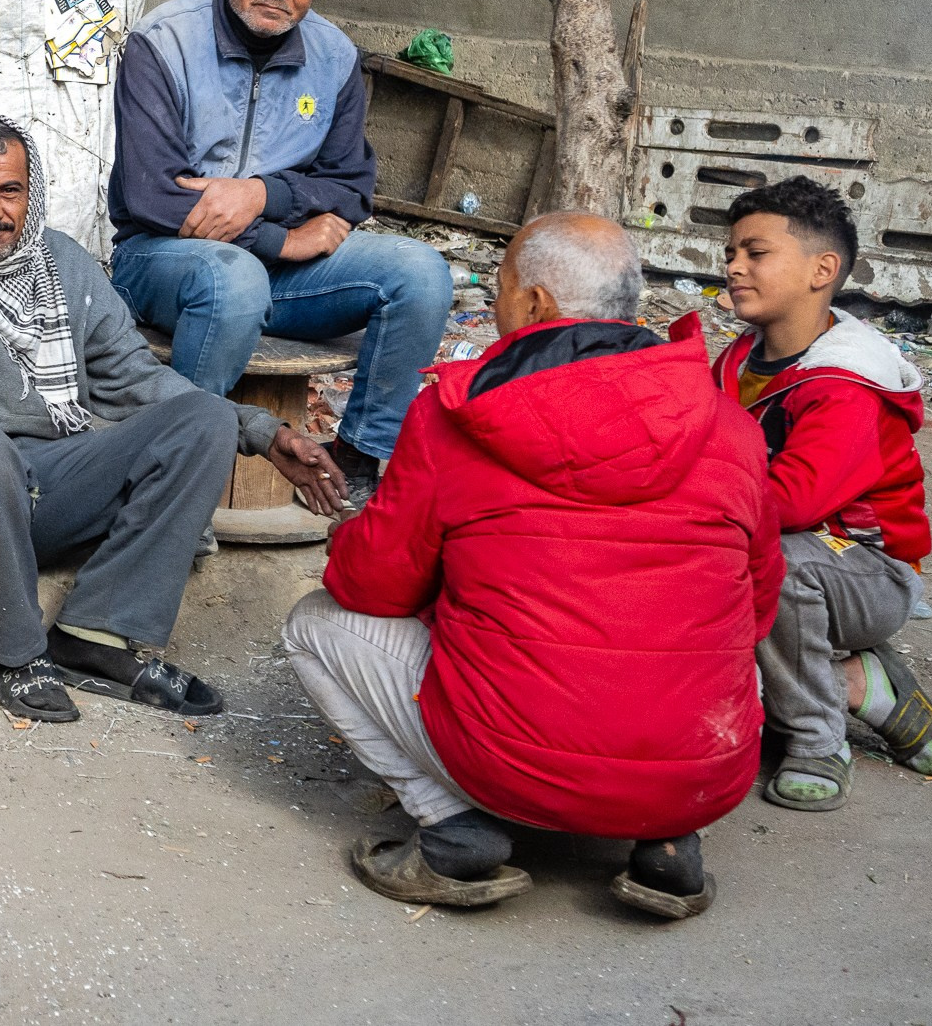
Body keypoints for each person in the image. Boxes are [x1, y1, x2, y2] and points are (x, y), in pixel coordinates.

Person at [281, 213, 780, 920]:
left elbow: (373, 586)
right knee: (711, 630)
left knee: (312, 624)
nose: (493, 309)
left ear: (538, 304)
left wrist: (353, 537)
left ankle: (453, 829)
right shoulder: (728, 421)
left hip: (511, 765)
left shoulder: (457, 417)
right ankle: (669, 841)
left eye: (503, 291)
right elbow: (758, 603)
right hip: (706, 764)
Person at [0, 52, 347, 725]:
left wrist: (262, 429)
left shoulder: (63, 263)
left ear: (30, 191)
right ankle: (12, 654)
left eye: (8, 190)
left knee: (203, 421)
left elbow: (136, 380)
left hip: (38, 488)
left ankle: (95, 636)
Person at [108, 0, 452, 510]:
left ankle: (358, 458)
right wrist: (281, 238)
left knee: (421, 273)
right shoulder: (162, 43)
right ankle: (170, 478)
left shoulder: (335, 58)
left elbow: (351, 185)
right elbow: (152, 195)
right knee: (234, 279)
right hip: (161, 262)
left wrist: (265, 192)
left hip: (286, 281)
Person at [690, 176, 932, 810]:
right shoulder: (738, 360)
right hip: (776, 545)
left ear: (822, 269)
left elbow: (793, 503)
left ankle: (818, 738)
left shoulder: (847, 380)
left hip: (867, 570)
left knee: (772, 564)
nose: (734, 267)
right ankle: (855, 681)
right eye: (731, 253)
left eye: (756, 254)